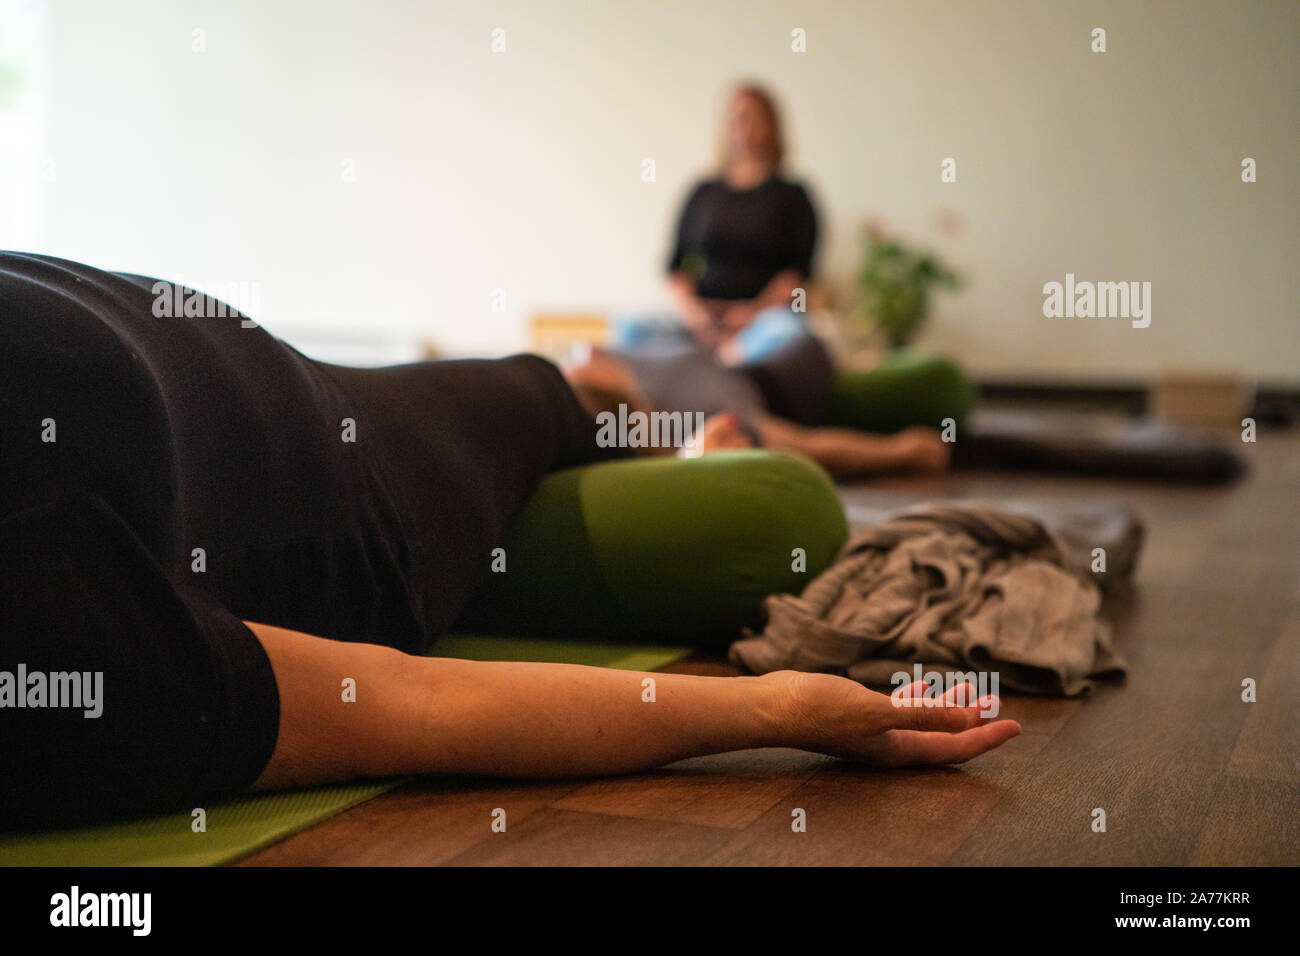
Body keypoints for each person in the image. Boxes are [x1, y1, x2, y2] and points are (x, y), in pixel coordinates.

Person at [0, 251, 1019, 832]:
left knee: (578, 384)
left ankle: (642, 433)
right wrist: (778, 706)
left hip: (245, 357)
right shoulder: (59, 655)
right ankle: (647, 438)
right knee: (559, 388)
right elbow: (414, 703)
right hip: (357, 478)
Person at [604, 83, 950, 476]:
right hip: (700, 325)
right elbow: (676, 269)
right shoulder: (703, 192)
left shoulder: (793, 196)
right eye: (735, 117)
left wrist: (746, 318)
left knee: (791, 333)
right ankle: (716, 364)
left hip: (761, 323)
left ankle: (726, 368)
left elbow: (798, 281)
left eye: (754, 117)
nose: (744, 126)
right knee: (630, 325)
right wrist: (697, 315)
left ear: (773, 126)